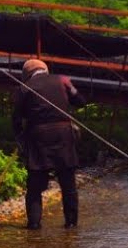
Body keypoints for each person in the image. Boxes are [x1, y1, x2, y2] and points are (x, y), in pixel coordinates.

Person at [12, 57, 86, 230]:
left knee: (35, 187)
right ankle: (71, 225)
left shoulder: (24, 88)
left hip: (38, 139)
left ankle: (34, 225)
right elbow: (80, 101)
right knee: (68, 184)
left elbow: (16, 119)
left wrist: (20, 139)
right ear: (45, 70)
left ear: (27, 74)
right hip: (63, 137)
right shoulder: (63, 80)